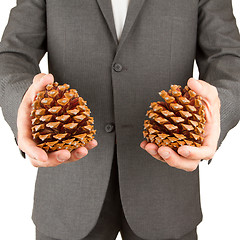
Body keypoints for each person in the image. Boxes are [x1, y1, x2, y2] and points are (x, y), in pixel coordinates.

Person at [0, 0, 239, 239]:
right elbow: (13, 55)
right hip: (67, 187)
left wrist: (217, 111)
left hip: (166, 189)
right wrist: (24, 103)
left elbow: (228, 57)